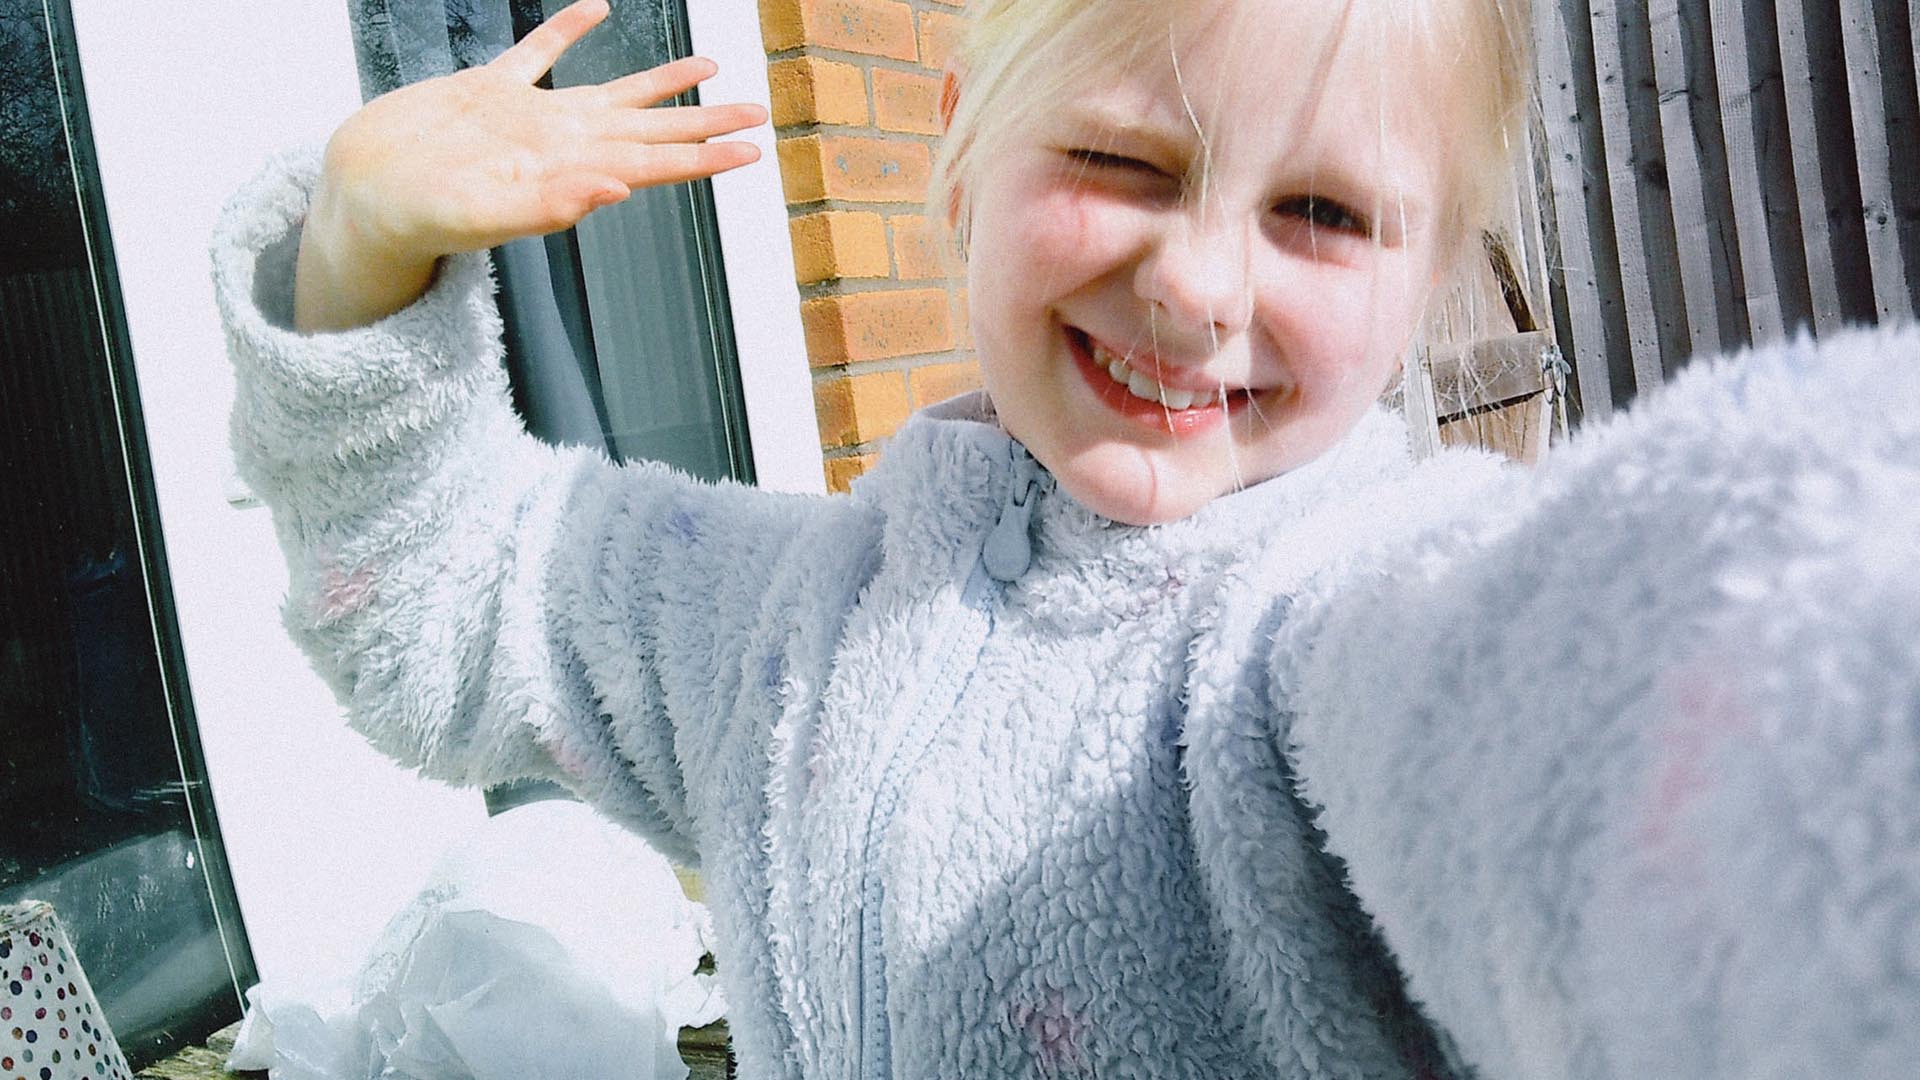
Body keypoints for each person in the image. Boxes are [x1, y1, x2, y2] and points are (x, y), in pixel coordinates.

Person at [212, 0, 1920, 1075]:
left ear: (1425, 274)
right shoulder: (783, 628)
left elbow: (1627, 681)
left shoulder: (1348, 631)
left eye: (1322, 211)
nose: (1199, 282)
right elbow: (453, 601)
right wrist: (356, 254)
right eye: (1121, 158)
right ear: (963, 161)